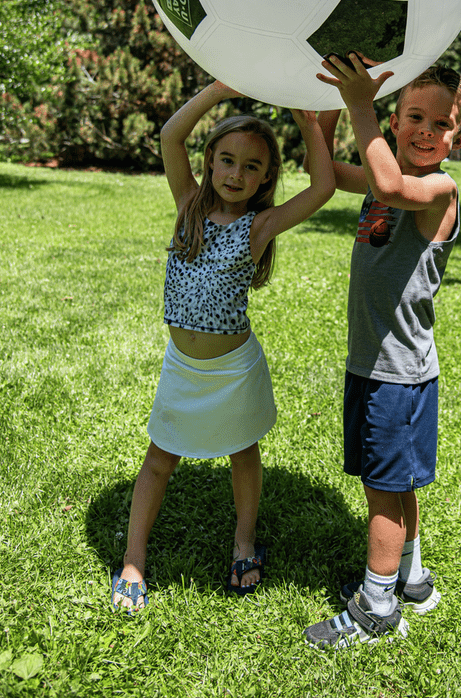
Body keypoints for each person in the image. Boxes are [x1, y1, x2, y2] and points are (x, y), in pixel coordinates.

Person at [111, 80, 335, 613]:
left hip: (234, 370)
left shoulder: (259, 226)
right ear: (209, 161)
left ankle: (243, 542)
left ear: (266, 178)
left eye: (251, 167)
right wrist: (221, 89)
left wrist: (307, 122)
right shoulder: (188, 203)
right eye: (227, 160)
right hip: (183, 369)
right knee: (159, 459)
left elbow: (323, 187)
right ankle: (133, 559)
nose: (236, 174)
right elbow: (171, 136)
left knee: (242, 453)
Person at [302, 55, 461, 649]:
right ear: (396, 123)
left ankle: (377, 609)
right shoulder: (386, 176)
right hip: (376, 366)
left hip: (396, 374)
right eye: (415, 117)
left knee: (381, 488)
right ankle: (413, 579)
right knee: (397, 484)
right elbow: (320, 172)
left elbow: (390, 185)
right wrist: (314, 118)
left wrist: (358, 103)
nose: (427, 131)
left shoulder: (437, 189)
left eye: (441, 124)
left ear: (459, 138)